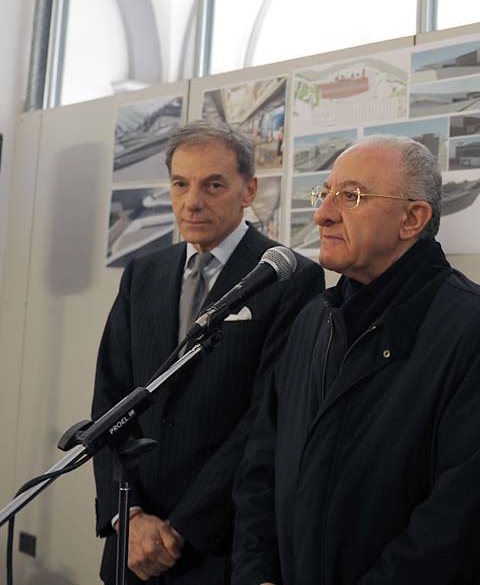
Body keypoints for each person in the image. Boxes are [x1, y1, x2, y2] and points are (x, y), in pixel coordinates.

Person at [232, 134, 480, 585]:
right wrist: (256, 576)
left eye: (350, 196)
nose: (323, 214)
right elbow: (261, 472)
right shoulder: (312, 321)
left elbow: (466, 520)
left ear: (412, 218)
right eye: (325, 194)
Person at [92, 121, 324, 583]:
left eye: (213, 184)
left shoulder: (287, 277)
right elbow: (111, 401)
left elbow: (266, 418)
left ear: (249, 190)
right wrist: (129, 514)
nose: (192, 200)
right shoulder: (143, 274)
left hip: (220, 544)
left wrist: (183, 529)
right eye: (180, 184)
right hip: (132, 545)